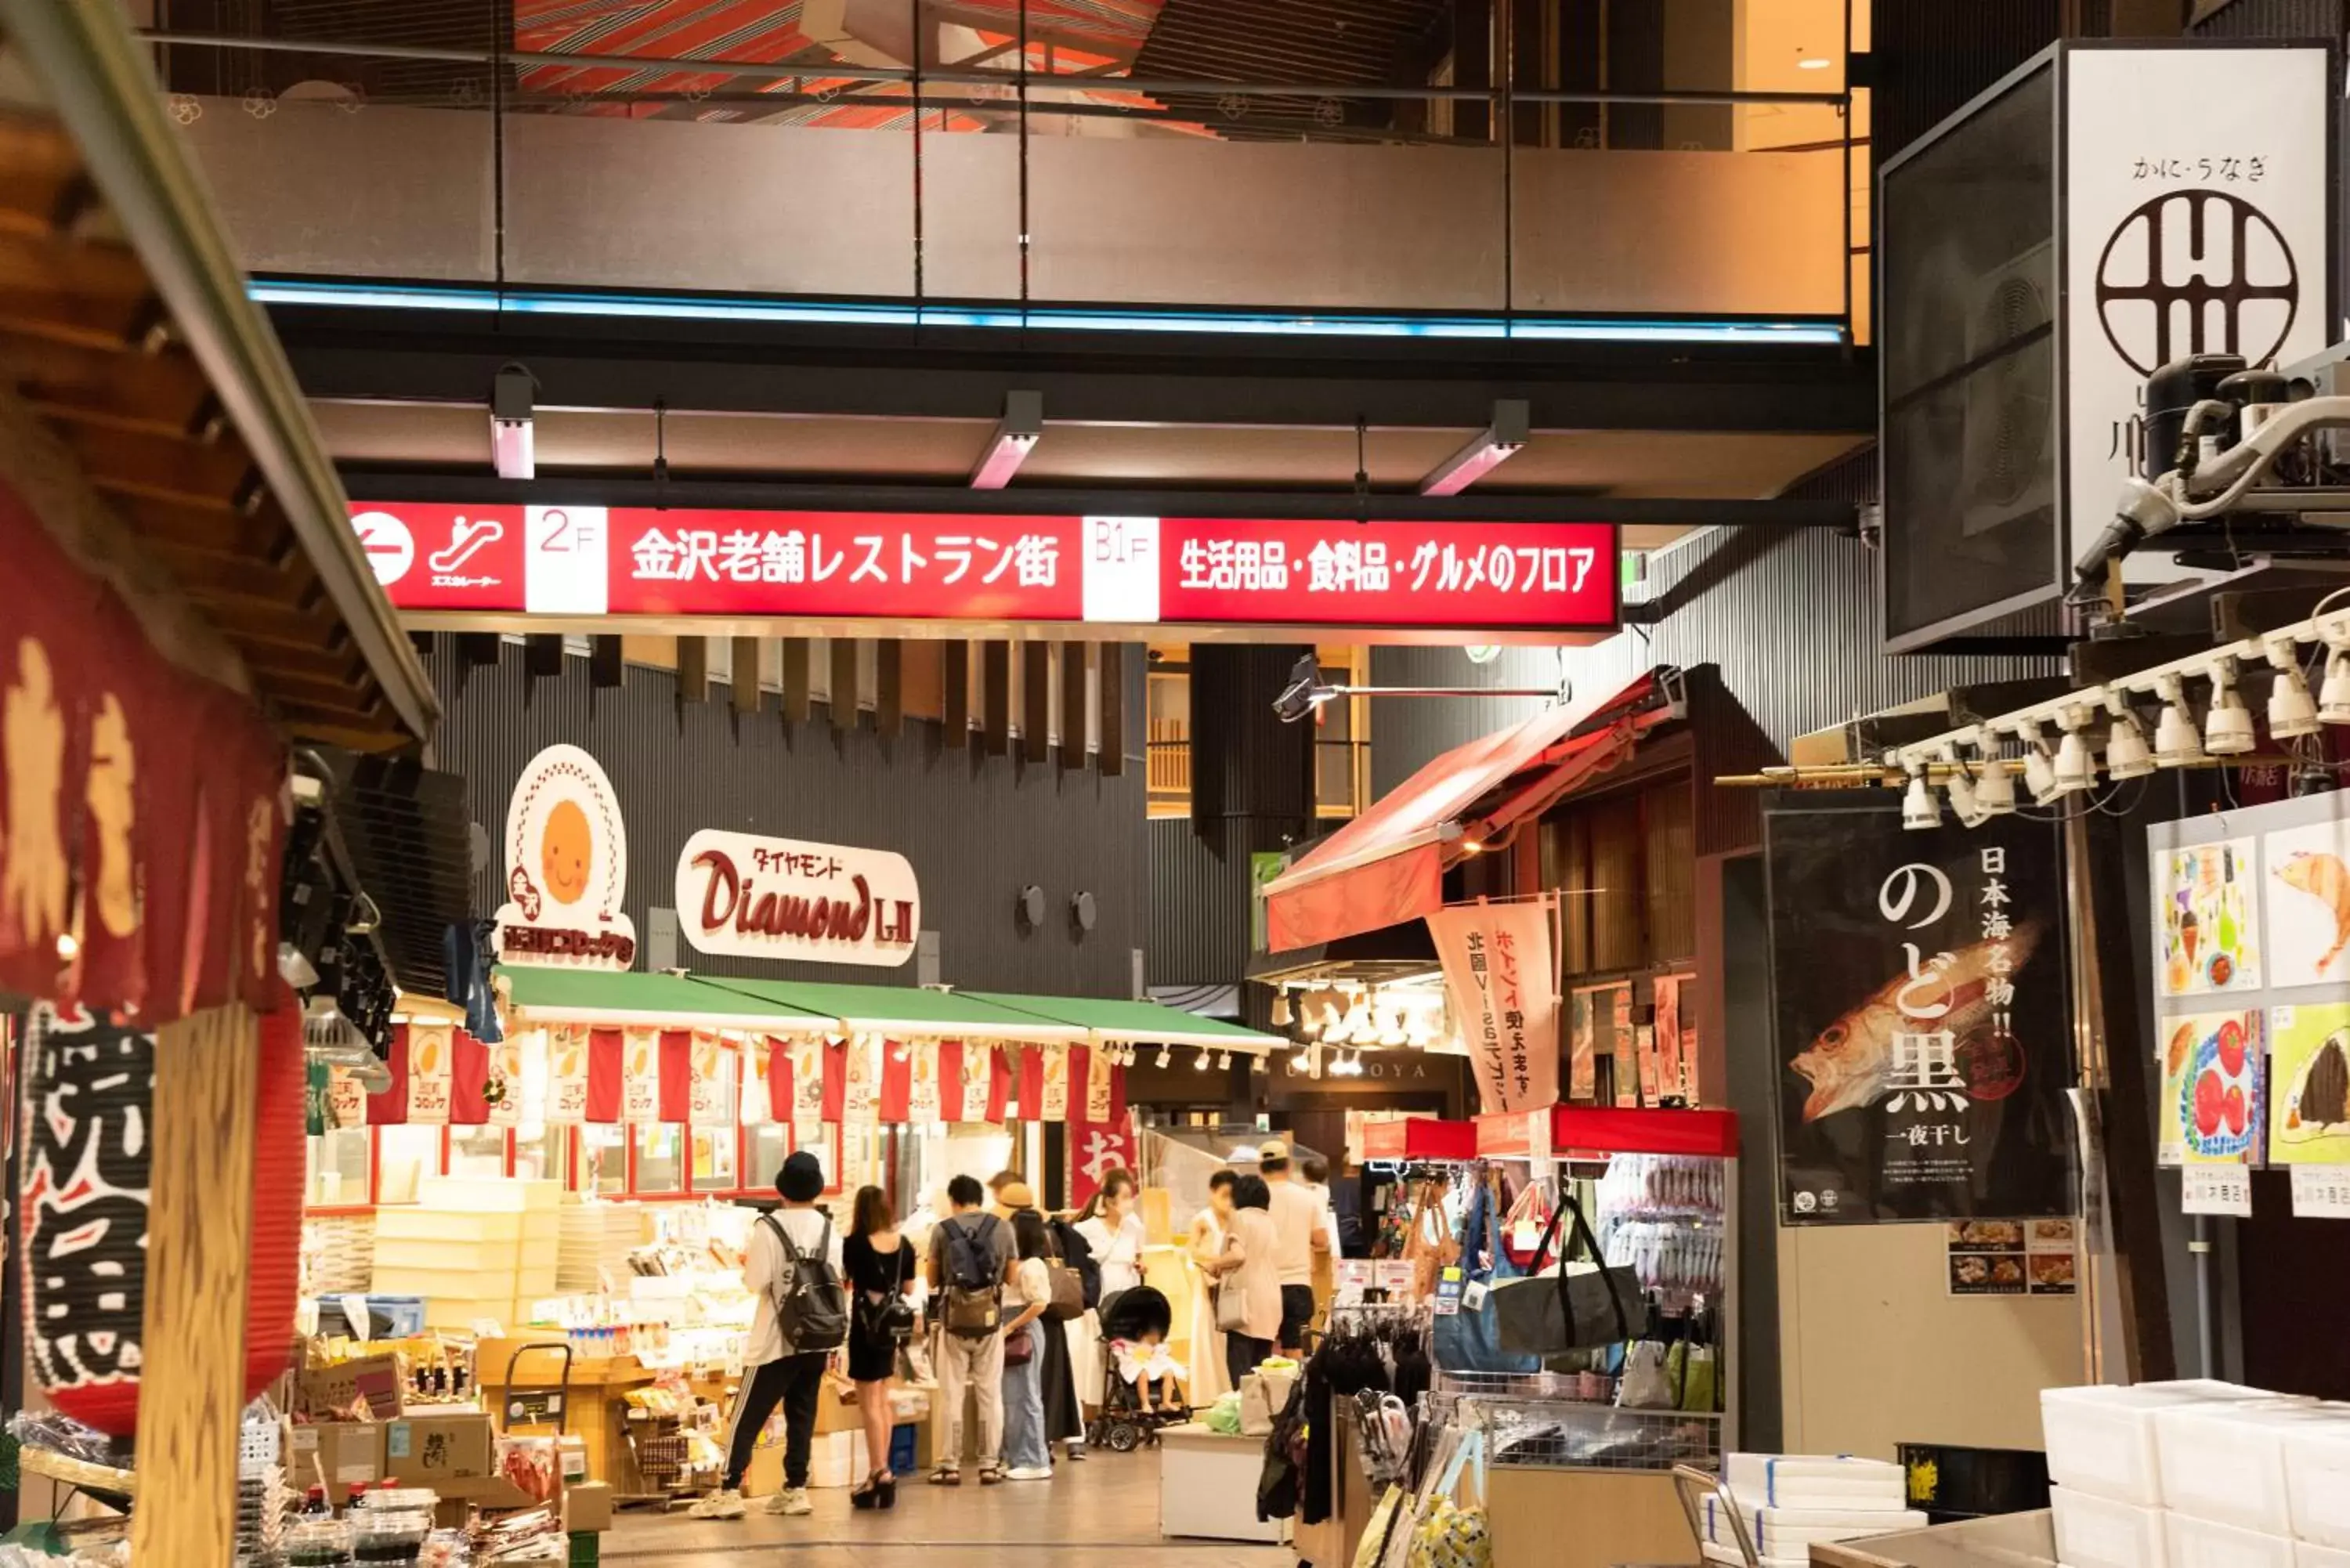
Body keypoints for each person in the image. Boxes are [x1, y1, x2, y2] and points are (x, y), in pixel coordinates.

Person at [692, 1151, 843, 1520]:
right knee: (802, 1414)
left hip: (775, 1338)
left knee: (748, 1414)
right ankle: (795, 1488)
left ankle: (728, 1489)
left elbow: (756, 1281)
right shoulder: (828, 1227)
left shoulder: (769, 1227)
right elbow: (836, 1278)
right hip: (817, 1335)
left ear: (782, 1187)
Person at [927, 1173, 1014, 1487]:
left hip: (953, 1323)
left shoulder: (942, 1230)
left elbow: (932, 1280)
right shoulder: (1002, 1228)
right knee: (990, 1394)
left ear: (953, 1200)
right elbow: (1012, 1277)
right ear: (980, 1198)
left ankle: (950, 1466)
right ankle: (988, 1464)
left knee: (951, 1396)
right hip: (989, 1324)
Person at [843, 1184, 916, 1510]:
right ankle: (883, 1470)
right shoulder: (904, 1244)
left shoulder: (855, 1244)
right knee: (883, 1397)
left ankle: (878, 1470)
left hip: (865, 1325)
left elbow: (845, 1281)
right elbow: (910, 1288)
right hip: (891, 1328)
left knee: (868, 1400)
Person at [1202, 1173, 1282, 1389]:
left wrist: (1215, 1264)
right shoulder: (1270, 1222)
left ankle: (1244, 1416)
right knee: (1261, 1368)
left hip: (1245, 1303)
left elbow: (1238, 1255)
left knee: (1241, 1370)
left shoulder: (1240, 1218)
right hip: (1271, 1299)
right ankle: (1260, 1418)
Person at [998, 1197, 1057, 1480]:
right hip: (1015, 1327)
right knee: (1013, 1395)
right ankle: (1017, 1457)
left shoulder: (1032, 1266)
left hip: (1022, 1330)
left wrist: (1009, 1328)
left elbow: (1040, 1303)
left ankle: (1033, 1460)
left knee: (1026, 1394)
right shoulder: (1019, 1264)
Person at [1260, 1140, 1329, 1353]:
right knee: (1294, 1347)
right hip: (1298, 1284)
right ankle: (1294, 1386)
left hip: (1263, 1285)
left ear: (1260, 1168)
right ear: (1288, 1165)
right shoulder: (1307, 1197)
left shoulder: (1255, 1198)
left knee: (1265, 1348)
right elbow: (1321, 1240)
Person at [1184, 1170, 1237, 1404]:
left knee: (1227, 1340)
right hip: (1206, 1285)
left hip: (1230, 1285)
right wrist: (1208, 1265)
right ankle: (1207, 1397)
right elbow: (1191, 1251)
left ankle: (1229, 1391)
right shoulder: (1202, 1220)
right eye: (1224, 1194)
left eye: (1231, 1196)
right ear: (1213, 1193)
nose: (1228, 1201)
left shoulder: (1237, 1219)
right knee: (1207, 1337)